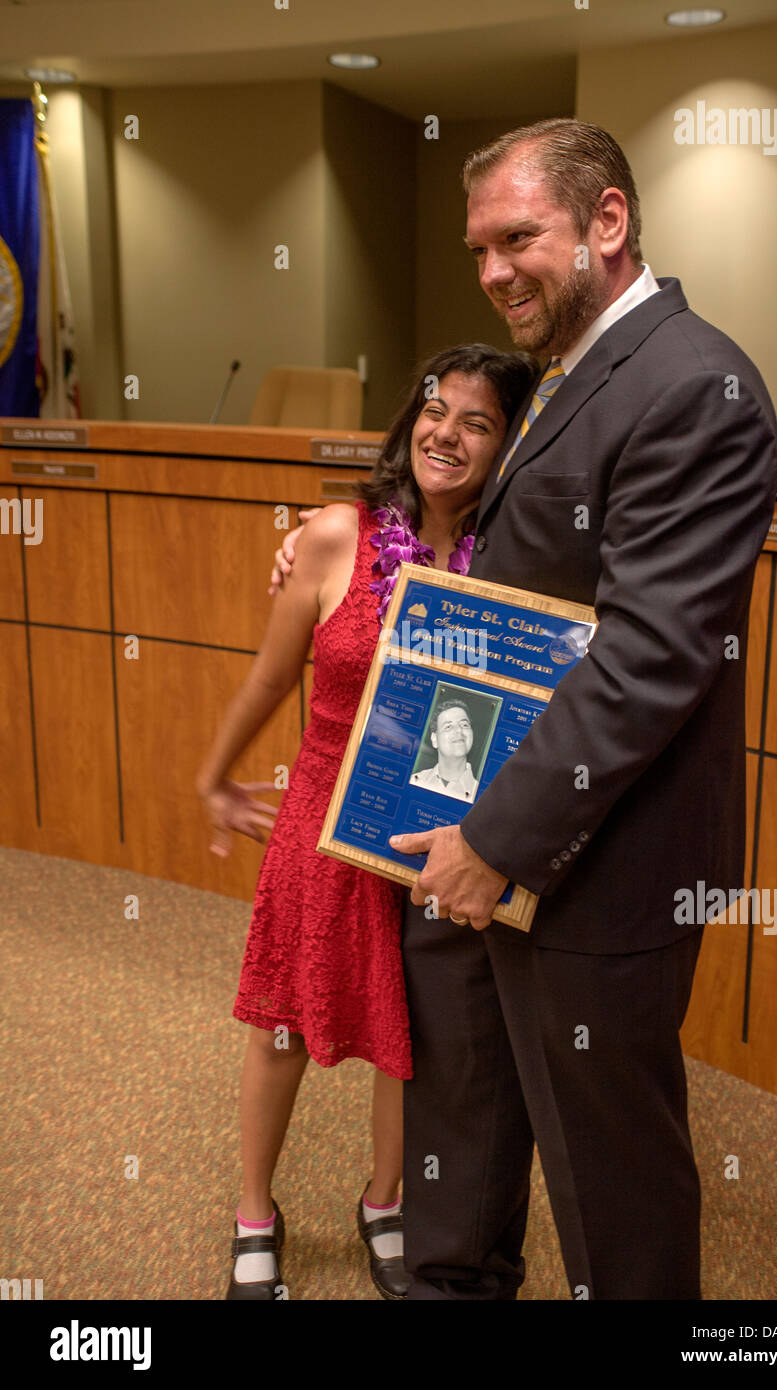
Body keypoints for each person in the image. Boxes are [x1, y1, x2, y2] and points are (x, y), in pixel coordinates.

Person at [274, 117, 777, 1299]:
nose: (493, 268)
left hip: (591, 866)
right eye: (479, 248)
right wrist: (330, 535)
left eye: (517, 237)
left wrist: (494, 840)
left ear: (606, 220)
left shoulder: (692, 384)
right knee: (466, 1140)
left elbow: (650, 657)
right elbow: (498, 554)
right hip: (468, 852)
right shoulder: (556, 376)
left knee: (610, 1187)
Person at [196, 343, 535, 1301]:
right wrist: (214, 777)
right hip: (320, 815)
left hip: (430, 829)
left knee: (409, 1036)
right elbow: (271, 677)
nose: (448, 433)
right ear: (408, 419)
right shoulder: (337, 534)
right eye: (436, 410)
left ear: (507, 447)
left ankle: (387, 1199)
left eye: (479, 422)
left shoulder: (508, 557)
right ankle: (254, 1210)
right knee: (286, 1024)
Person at [409, 698, 478, 801]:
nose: (459, 730)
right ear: (434, 739)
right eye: (448, 727)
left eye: (464, 725)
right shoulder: (414, 780)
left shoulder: (481, 794)